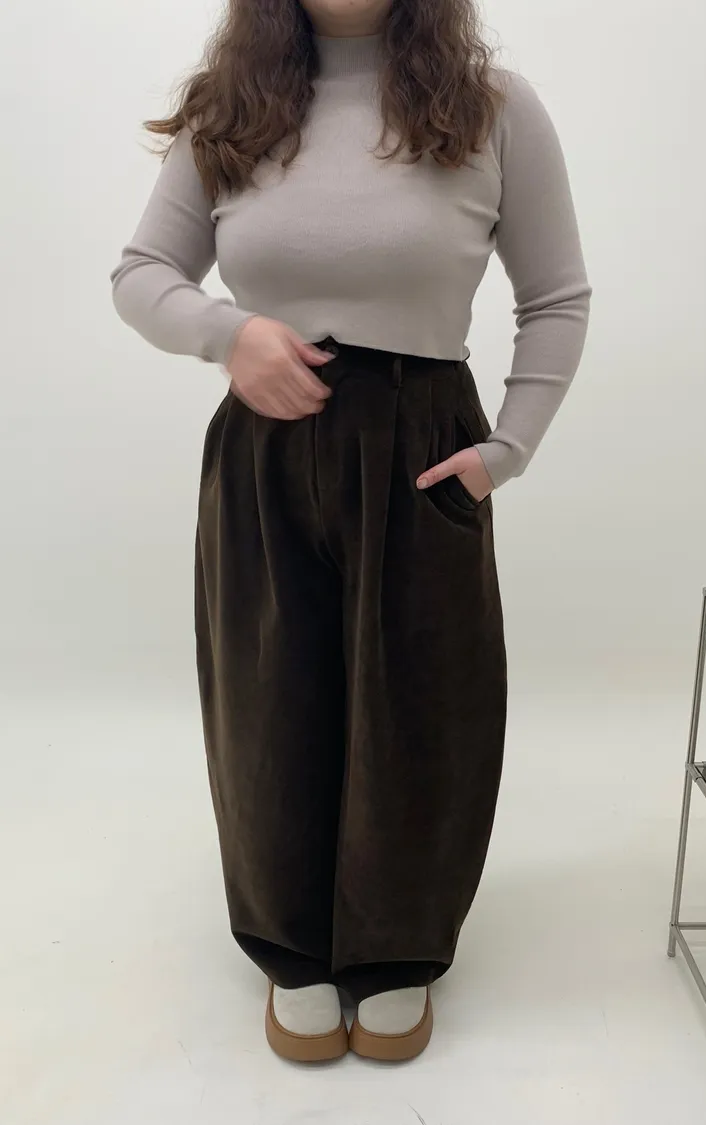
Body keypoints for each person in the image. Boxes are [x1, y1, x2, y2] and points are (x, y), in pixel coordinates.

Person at [110, 0, 590, 1063]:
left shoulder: (490, 107)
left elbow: (556, 296)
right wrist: (228, 335)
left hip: (424, 446)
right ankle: (292, 946)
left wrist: (507, 449)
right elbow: (141, 274)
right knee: (271, 695)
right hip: (266, 452)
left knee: (423, 701)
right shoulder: (231, 109)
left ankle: (396, 944)